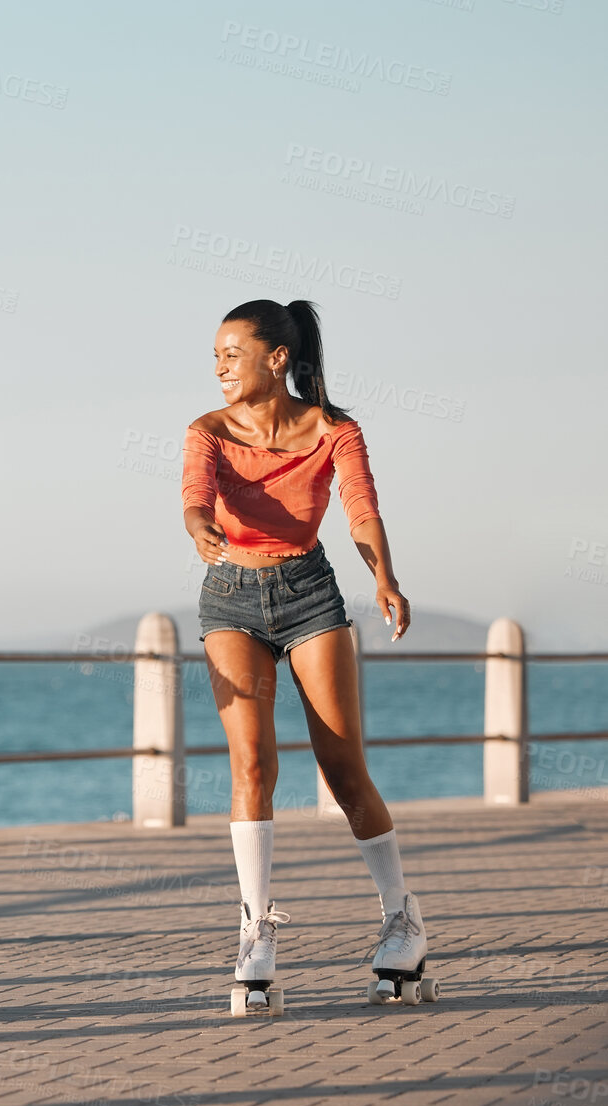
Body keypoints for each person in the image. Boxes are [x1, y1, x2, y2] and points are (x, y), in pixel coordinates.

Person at [181, 300, 432, 1012]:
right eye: (216, 357)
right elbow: (194, 499)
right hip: (230, 595)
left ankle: (402, 920)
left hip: (309, 592)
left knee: (341, 763)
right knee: (252, 762)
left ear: (277, 358)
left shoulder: (335, 430)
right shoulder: (208, 430)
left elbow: (360, 506)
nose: (221, 367)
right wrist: (201, 527)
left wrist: (383, 575)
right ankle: (255, 930)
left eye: (233, 353)